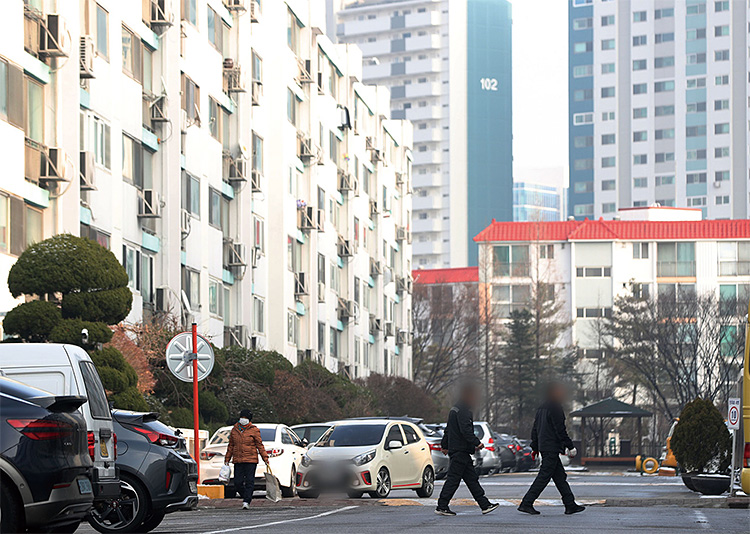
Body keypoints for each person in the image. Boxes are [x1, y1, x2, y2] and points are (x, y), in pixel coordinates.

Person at [518, 382, 585, 515]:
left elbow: (535, 429)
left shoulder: (541, 408)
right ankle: (526, 503)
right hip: (551, 447)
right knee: (543, 476)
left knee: (560, 477)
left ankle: (570, 504)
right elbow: (560, 429)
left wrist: (535, 447)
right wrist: (570, 446)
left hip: (545, 446)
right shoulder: (555, 407)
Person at [435, 382, 499, 516]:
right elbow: (465, 430)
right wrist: (477, 443)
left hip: (459, 450)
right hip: (460, 450)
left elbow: (448, 430)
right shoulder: (463, 410)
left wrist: (445, 445)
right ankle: (442, 505)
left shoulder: (455, 409)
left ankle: (484, 504)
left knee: (471, 479)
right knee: (453, 480)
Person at [225, 409, 270, 509]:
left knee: (250, 481)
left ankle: (246, 501)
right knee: (237, 482)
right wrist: (227, 458)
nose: (243, 419)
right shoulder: (234, 430)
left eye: (245, 418)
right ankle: (246, 495)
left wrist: (265, 458)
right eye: (242, 417)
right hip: (238, 460)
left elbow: (260, 445)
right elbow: (231, 445)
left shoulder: (254, 430)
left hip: (251, 460)